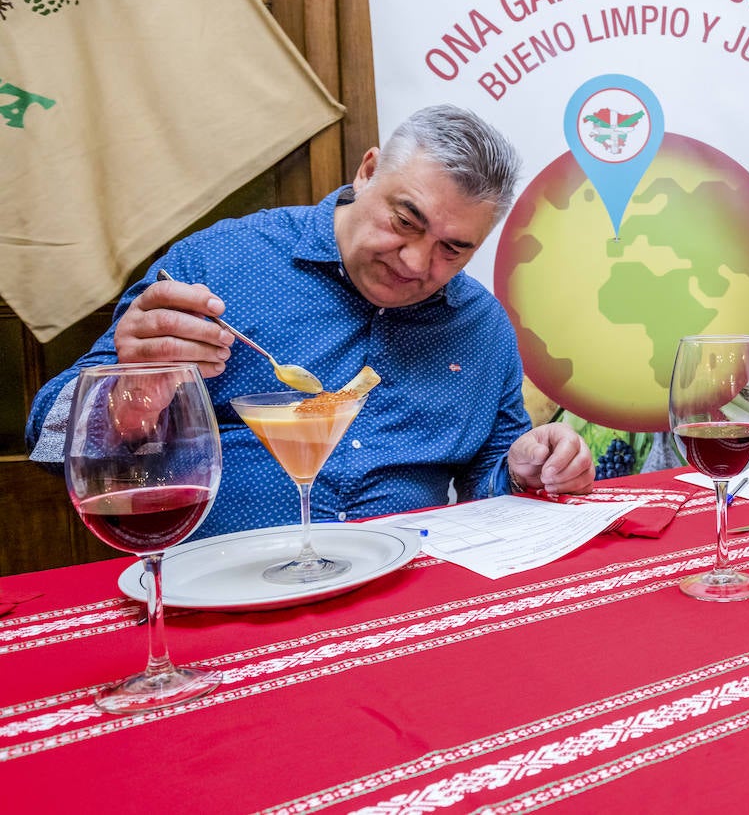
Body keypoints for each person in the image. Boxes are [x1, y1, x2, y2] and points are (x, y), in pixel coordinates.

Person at [27, 104, 594, 539]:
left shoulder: (481, 327)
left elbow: (488, 481)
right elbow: (49, 442)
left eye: (453, 249)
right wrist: (132, 391)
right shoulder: (218, 264)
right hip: (215, 593)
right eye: (404, 220)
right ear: (367, 171)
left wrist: (526, 469)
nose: (417, 262)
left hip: (409, 602)